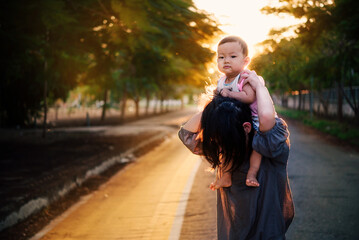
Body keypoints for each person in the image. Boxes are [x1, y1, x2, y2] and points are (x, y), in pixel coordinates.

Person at [178, 70, 294, 239]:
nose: (221, 145)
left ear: (247, 127)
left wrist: (259, 87)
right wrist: (217, 106)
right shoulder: (223, 150)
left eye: (224, 139)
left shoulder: (269, 147)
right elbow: (187, 135)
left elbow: (267, 116)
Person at [213, 36, 263, 188]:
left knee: (258, 145)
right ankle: (226, 175)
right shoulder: (221, 81)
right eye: (221, 57)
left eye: (232, 56)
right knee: (223, 144)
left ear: (245, 61)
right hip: (234, 120)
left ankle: (252, 173)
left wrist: (230, 94)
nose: (226, 60)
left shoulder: (243, 77)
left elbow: (249, 97)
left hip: (255, 119)